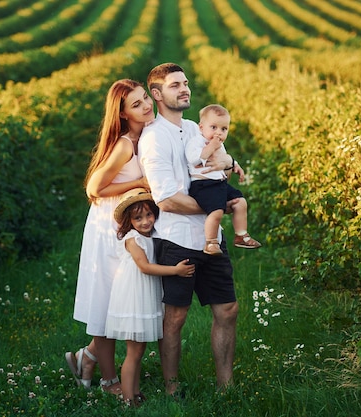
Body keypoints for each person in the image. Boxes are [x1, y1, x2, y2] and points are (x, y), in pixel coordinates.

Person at [138, 63, 239, 396]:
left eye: (185, 83)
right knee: (176, 317)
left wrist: (227, 165)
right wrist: (219, 205)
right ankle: (171, 387)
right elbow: (166, 199)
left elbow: (221, 160)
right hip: (178, 239)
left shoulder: (196, 128)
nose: (184, 89)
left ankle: (226, 386)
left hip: (211, 238)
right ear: (157, 94)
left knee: (227, 309)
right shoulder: (154, 137)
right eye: (174, 85)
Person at [67, 79, 154, 395]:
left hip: (124, 224)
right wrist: (137, 184)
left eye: (145, 98)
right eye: (136, 104)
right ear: (121, 115)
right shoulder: (124, 145)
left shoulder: (145, 134)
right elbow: (94, 188)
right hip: (108, 228)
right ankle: (108, 382)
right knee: (108, 301)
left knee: (120, 297)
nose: (146, 105)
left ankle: (86, 357)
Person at [106, 188, 195, 406]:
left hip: (145, 294)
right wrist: (176, 271)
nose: (146, 221)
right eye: (138, 217)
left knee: (140, 348)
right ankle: (128, 399)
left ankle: (134, 391)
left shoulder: (151, 236)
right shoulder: (132, 239)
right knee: (134, 351)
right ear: (129, 220)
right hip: (135, 296)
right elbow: (144, 267)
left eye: (149, 215)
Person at [185, 104, 262, 255]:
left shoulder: (220, 145)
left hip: (219, 183)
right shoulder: (196, 142)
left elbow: (224, 159)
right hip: (203, 185)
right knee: (217, 212)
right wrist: (211, 147)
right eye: (213, 127)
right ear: (201, 127)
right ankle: (211, 242)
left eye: (223, 129)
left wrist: (235, 166)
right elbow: (193, 159)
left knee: (241, 202)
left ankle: (241, 235)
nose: (218, 133)